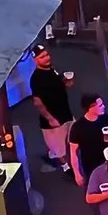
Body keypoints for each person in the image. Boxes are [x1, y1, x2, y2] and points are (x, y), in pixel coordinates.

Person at [26, 45, 76, 173]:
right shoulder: (36, 79)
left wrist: (66, 83)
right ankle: (66, 168)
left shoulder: (52, 70)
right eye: (42, 57)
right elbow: (37, 102)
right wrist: (50, 119)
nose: (47, 58)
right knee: (59, 147)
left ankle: (63, 158)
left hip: (65, 112)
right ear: (35, 60)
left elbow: (56, 85)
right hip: (53, 119)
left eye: (47, 55)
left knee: (72, 137)